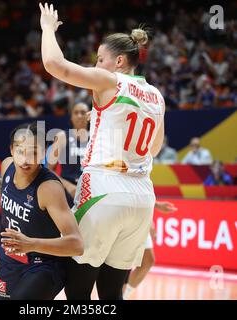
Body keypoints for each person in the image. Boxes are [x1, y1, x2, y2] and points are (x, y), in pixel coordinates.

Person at [39, 3, 165, 299]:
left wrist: (46, 28)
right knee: (112, 292)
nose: (96, 66)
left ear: (119, 61)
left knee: (78, 290)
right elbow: (155, 147)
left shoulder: (111, 80)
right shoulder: (156, 95)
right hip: (143, 196)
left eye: (100, 59)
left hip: (104, 188)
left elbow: (54, 65)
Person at [0, 122, 83, 300]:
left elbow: (77, 244)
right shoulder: (7, 166)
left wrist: (32, 244)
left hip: (43, 264)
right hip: (10, 259)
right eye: (20, 151)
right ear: (11, 150)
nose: (26, 160)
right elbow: (8, 189)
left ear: (43, 153)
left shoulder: (49, 188)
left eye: (34, 152)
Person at [123, 201, 178, 299]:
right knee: (123, 265)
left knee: (148, 261)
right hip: (127, 213)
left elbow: (143, 191)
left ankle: (124, 296)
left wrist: (150, 220)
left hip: (141, 215)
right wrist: (156, 205)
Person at [47, 102, 90, 204]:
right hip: (68, 189)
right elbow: (48, 170)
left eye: (83, 112)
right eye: (76, 113)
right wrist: (68, 186)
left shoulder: (96, 138)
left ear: (89, 117)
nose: (79, 116)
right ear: (71, 117)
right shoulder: (62, 136)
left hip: (91, 189)